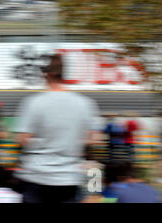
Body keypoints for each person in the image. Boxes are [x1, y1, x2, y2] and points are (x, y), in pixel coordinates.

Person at [14, 54, 101, 203]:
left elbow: (21, 140)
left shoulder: (33, 103)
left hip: (36, 177)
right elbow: (94, 139)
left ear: (45, 75)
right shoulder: (85, 104)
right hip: (69, 179)